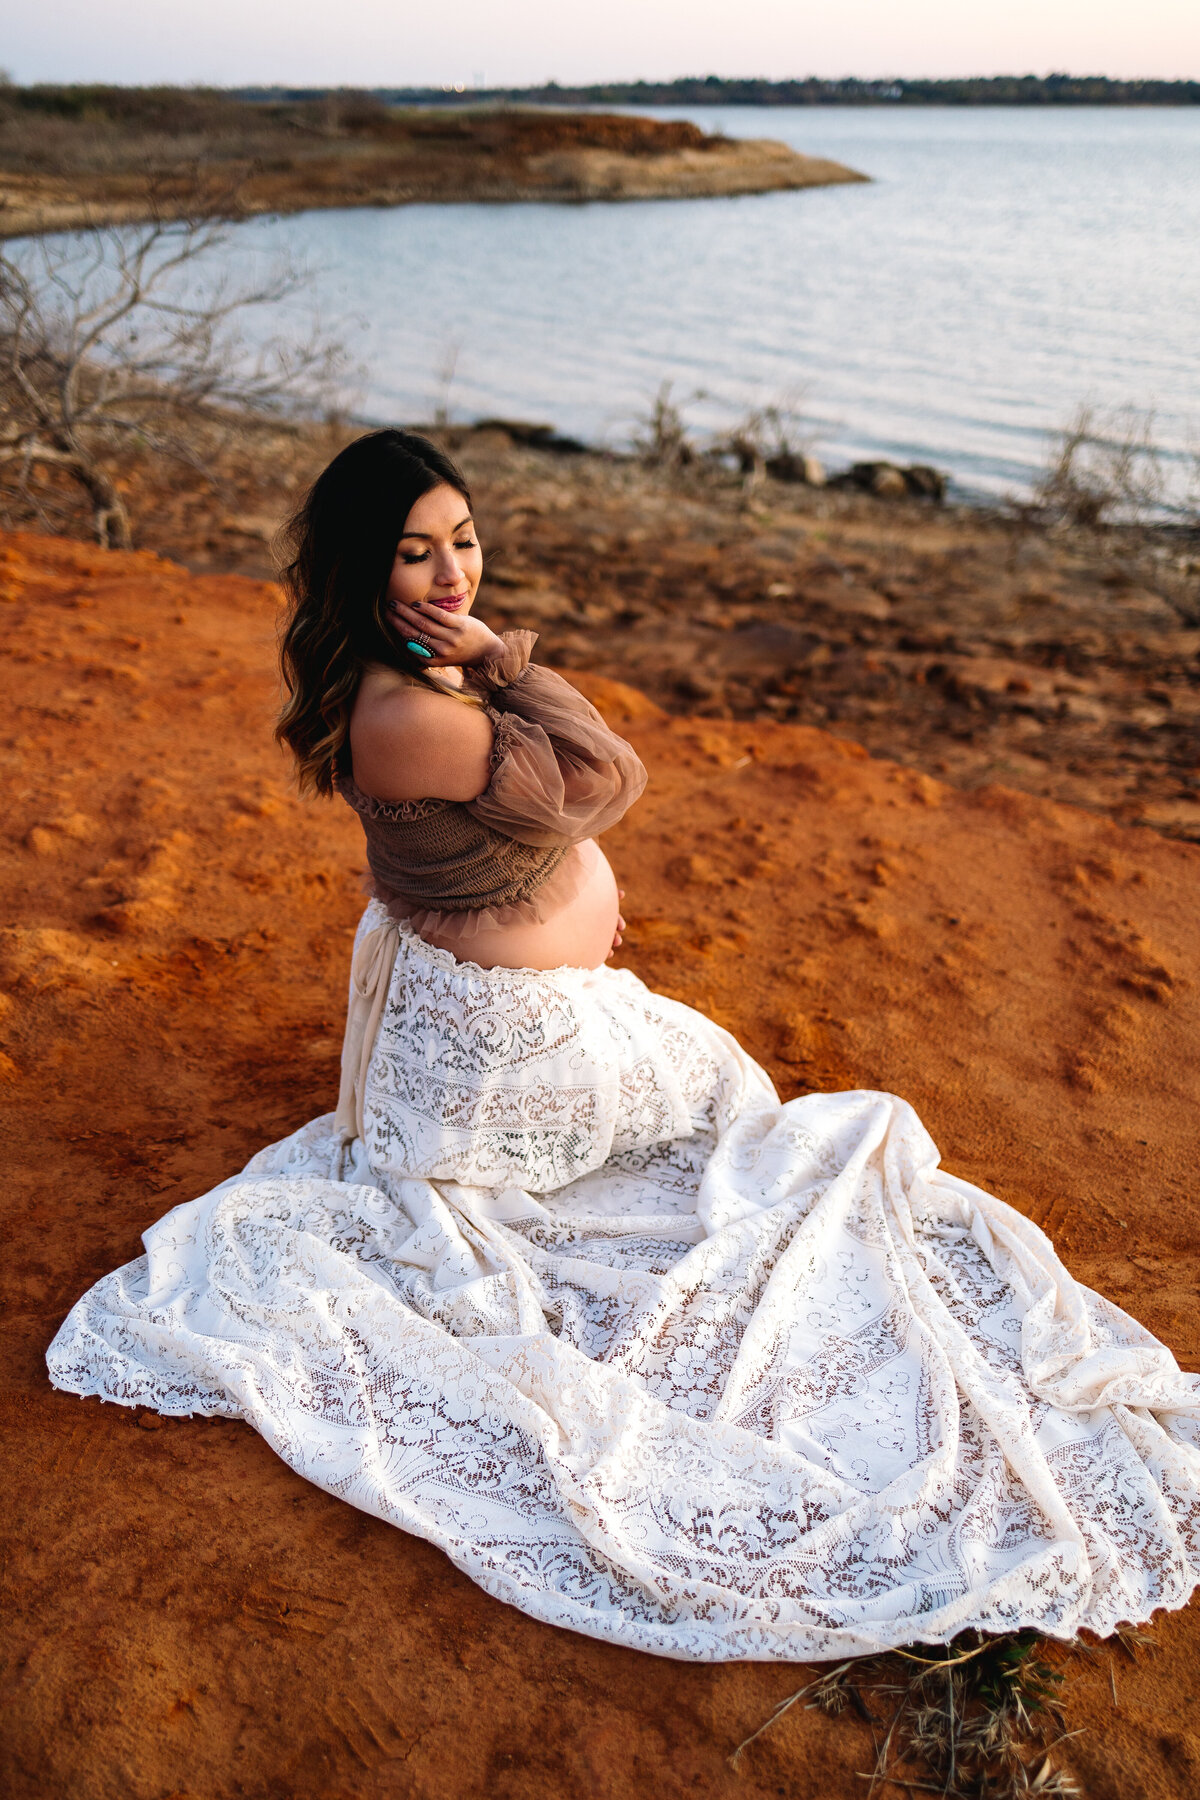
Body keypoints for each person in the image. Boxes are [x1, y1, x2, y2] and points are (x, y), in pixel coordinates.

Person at [48, 430, 1200, 1664]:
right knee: (748, 1132)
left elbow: (557, 797)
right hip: (501, 1051)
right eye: (415, 554)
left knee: (710, 1083)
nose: (452, 576)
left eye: (464, 542)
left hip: (508, 1009)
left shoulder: (407, 675)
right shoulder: (411, 708)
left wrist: (492, 688)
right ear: (359, 569)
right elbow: (606, 773)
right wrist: (508, 659)